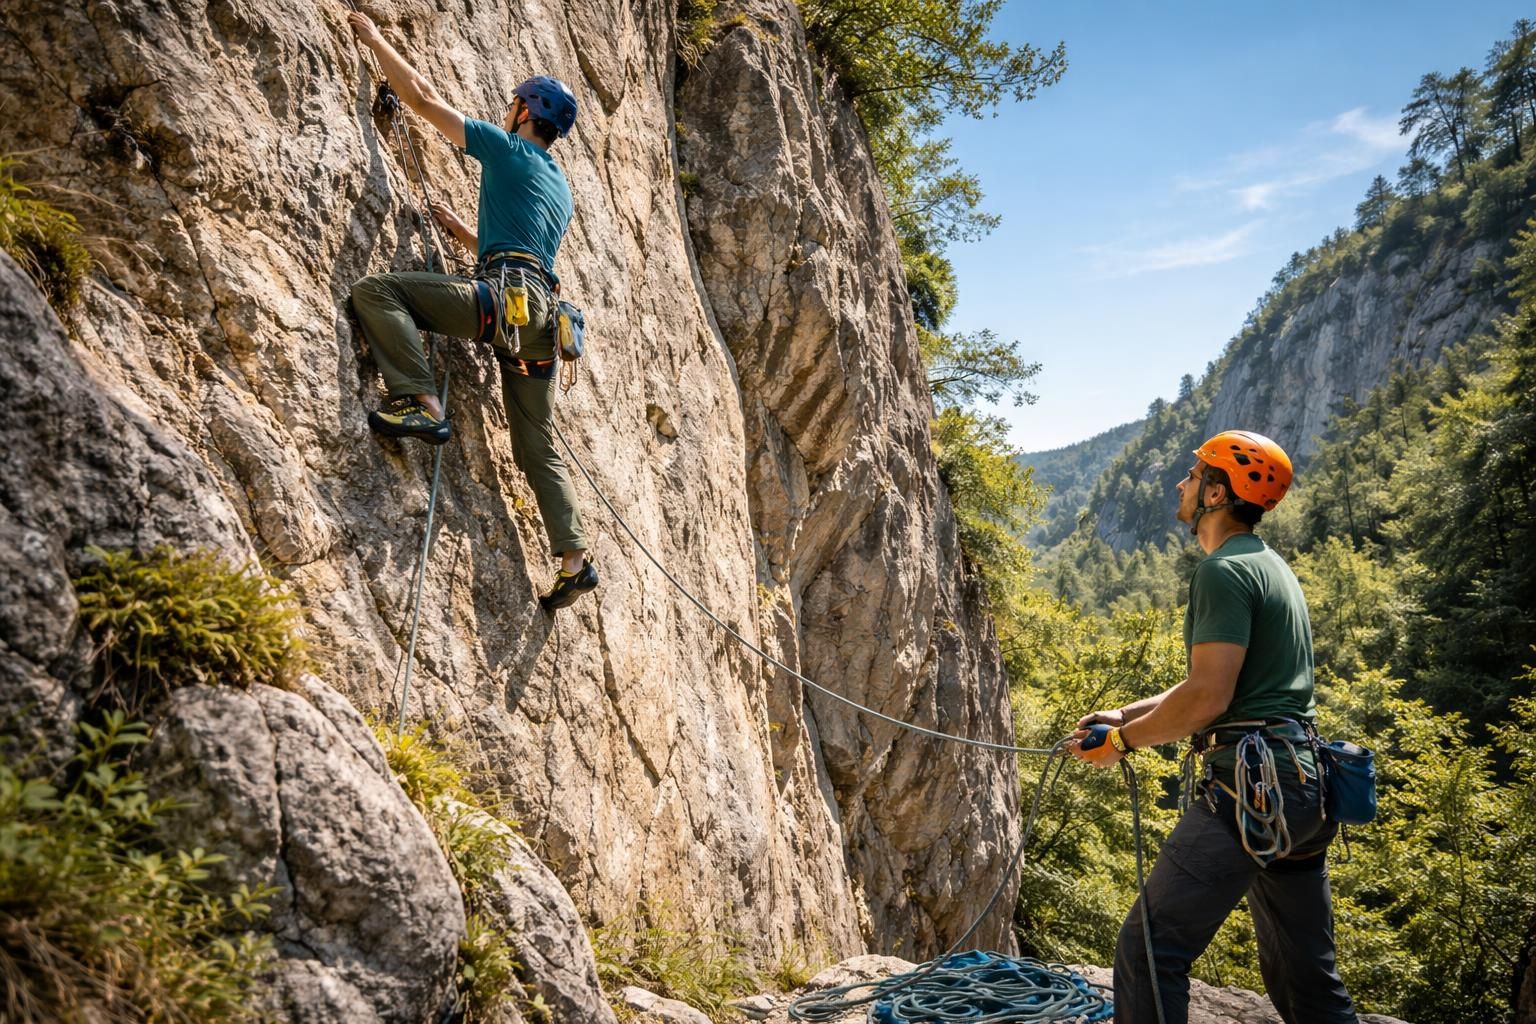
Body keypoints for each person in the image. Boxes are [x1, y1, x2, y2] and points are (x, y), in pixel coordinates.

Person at [1069, 430, 1357, 1024]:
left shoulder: (1223, 572)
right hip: (1302, 790)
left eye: (1194, 473)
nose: (1182, 482)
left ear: (1218, 492)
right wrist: (1125, 714)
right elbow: (1215, 683)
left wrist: (1122, 743)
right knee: (1306, 977)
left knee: (1150, 948)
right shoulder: (1269, 567)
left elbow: (1207, 698)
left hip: (1249, 790)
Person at [345, 10, 597, 611]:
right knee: (536, 440)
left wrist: (375, 39)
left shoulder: (508, 148)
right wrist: (468, 236)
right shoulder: (559, 186)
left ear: (524, 113)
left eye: (513, 103)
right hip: (540, 322)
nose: (507, 109)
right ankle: (574, 561)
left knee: (378, 291)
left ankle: (421, 402)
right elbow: (526, 246)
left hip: (502, 304)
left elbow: (425, 99)